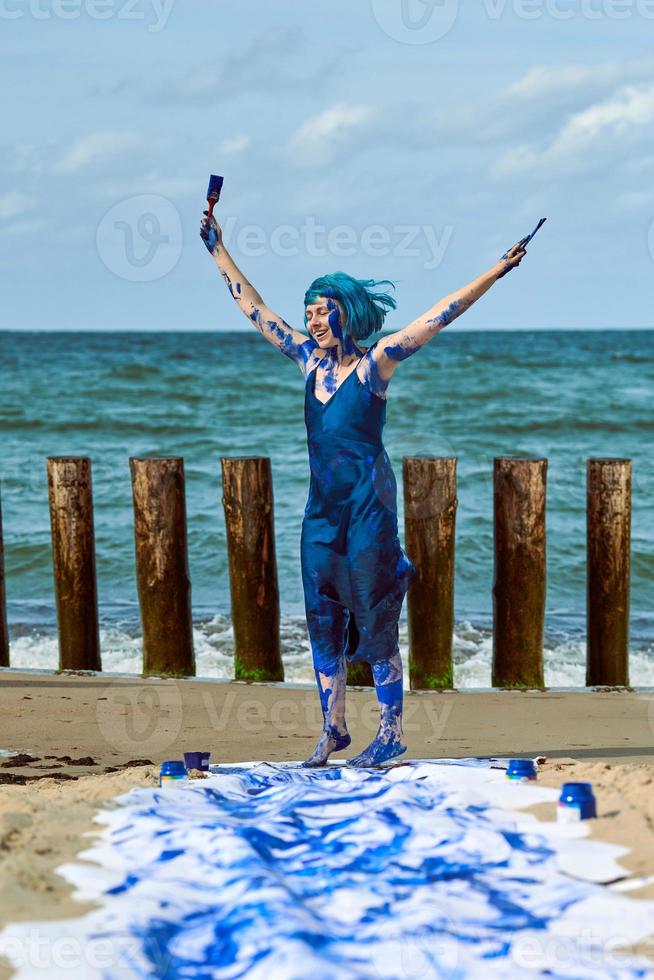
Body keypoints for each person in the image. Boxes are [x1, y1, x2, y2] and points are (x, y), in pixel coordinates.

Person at [200, 211, 527, 767]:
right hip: (321, 517)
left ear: (345, 314)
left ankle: (392, 730)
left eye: (321, 312)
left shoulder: (376, 365)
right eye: (309, 313)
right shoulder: (305, 360)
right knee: (321, 616)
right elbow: (254, 308)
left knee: (375, 619)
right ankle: (333, 730)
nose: (313, 321)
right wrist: (218, 250)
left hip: (369, 512)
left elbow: (437, 317)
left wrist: (495, 271)